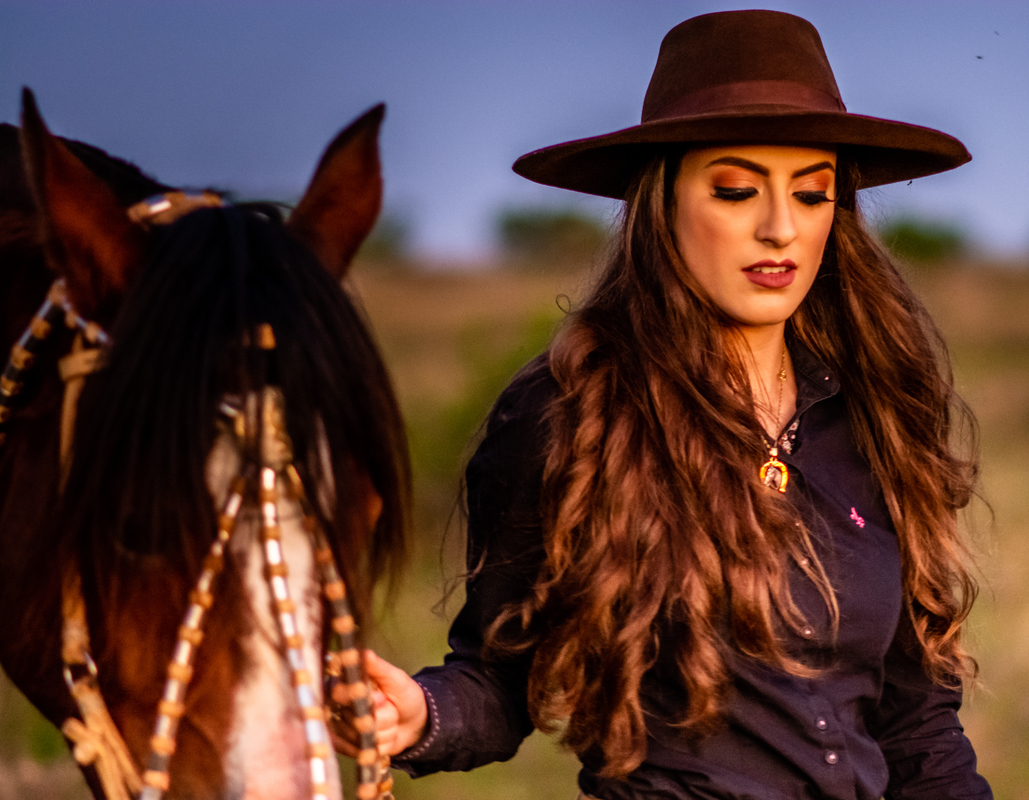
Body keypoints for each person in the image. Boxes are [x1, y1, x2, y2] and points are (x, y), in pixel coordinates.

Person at [349, 10, 992, 799]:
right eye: (735, 190)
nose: (780, 229)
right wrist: (421, 713)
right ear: (663, 201)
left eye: (812, 193)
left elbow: (916, 725)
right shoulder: (573, 414)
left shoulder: (869, 414)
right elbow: (498, 679)